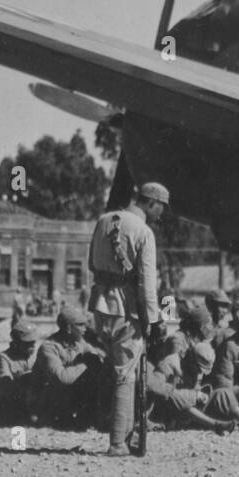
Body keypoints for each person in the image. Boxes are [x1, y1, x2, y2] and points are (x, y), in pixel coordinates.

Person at [88, 180, 169, 456]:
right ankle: (117, 443)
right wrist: (155, 320)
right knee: (126, 375)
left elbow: (91, 264)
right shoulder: (144, 232)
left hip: (100, 304)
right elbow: (147, 284)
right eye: (161, 208)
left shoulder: (102, 221)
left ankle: (123, 432)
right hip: (126, 308)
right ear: (151, 203)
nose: (162, 214)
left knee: (118, 370)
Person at [30, 303, 109, 428]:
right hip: (48, 398)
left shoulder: (78, 341)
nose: (85, 328)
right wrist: (86, 362)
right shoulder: (49, 347)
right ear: (68, 328)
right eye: (80, 325)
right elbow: (62, 378)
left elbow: (96, 358)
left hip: (65, 395)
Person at [0, 318, 39, 426]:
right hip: (6, 405)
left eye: (33, 343)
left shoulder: (33, 357)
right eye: (27, 344)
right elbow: (5, 388)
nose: (32, 347)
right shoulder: (4, 359)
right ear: (16, 343)